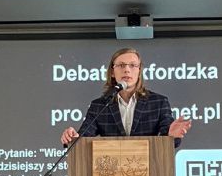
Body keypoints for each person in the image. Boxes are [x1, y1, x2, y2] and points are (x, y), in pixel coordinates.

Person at [60, 48, 192, 146]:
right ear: (112, 72)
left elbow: (168, 140)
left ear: (139, 71)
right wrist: (73, 138)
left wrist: (171, 135)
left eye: (133, 65)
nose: (127, 70)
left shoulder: (158, 102)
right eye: (121, 65)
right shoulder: (99, 105)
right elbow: (83, 138)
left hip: (149, 169)